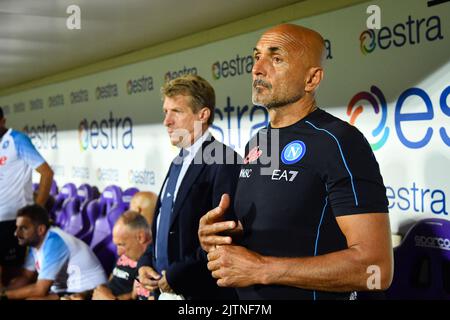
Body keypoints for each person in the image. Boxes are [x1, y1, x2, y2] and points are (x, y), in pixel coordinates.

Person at [198, 24, 393, 300]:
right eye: (257, 57)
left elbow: (377, 269)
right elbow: (278, 232)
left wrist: (263, 269)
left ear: (311, 79)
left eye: (276, 59)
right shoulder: (257, 142)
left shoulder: (340, 142)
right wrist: (217, 238)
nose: (258, 68)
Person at [138, 74, 240, 300]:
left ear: (202, 115)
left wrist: (177, 276)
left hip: (200, 294)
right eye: (166, 112)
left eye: (177, 111)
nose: (167, 121)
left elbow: (223, 238)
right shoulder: (178, 161)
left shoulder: (225, 160)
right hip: (165, 288)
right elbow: (165, 225)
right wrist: (146, 262)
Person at [0, 204, 107, 300]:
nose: (16, 233)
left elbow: (40, 290)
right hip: (67, 290)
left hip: (88, 292)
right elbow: (25, 277)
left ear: (40, 229)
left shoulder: (55, 242)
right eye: (17, 228)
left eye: (23, 228)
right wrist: (4, 291)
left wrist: (4, 296)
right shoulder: (36, 242)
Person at [0, 107, 54, 287]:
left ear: (2, 121)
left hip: (13, 221)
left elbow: (46, 173)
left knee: (12, 273)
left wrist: (35, 211)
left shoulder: (17, 140)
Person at [63, 211, 152, 300]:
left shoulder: (148, 267)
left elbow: (134, 296)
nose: (118, 253)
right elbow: (109, 283)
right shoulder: (128, 255)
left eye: (122, 244)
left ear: (140, 237)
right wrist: (84, 294)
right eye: (117, 245)